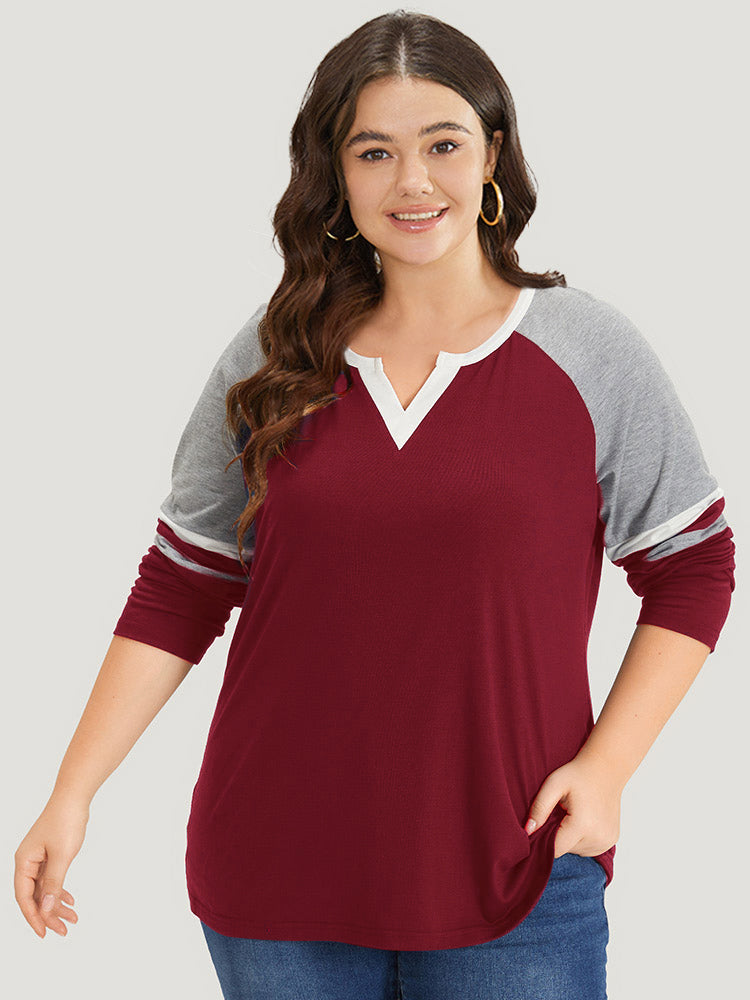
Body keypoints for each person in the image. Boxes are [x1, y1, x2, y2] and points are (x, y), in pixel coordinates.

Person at [14, 9, 735, 1000]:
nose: (412, 182)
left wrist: (608, 768)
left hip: (520, 866)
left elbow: (692, 567)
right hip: (276, 880)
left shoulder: (587, 352)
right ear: (337, 176)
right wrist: (72, 791)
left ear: (492, 155)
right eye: (374, 152)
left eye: (443, 144)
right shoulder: (275, 355)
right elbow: (183, 583)